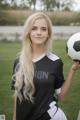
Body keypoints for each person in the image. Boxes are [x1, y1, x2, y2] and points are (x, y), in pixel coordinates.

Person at [11, 12, 80, 120]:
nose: (39, 32)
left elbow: (61, 96)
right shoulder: (19, 61)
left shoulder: (55, 62)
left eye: (43, 29)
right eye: (34, 28)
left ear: (48, 33)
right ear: (28, 32)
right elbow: (17, 94)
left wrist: (72, 70)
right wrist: (15, 117)